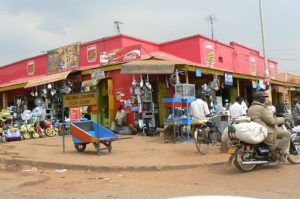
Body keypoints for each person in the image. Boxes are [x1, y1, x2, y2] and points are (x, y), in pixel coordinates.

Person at [247, 91, 291, 161]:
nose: (265, 99)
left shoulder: (250, 108)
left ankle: (274, 153)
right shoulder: (261, 108)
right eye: (263, 98)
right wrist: (283, 119)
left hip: (257, 130)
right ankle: (282, 151)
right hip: (267, 131)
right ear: (260, 98)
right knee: (287, 134)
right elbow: (272, 121)